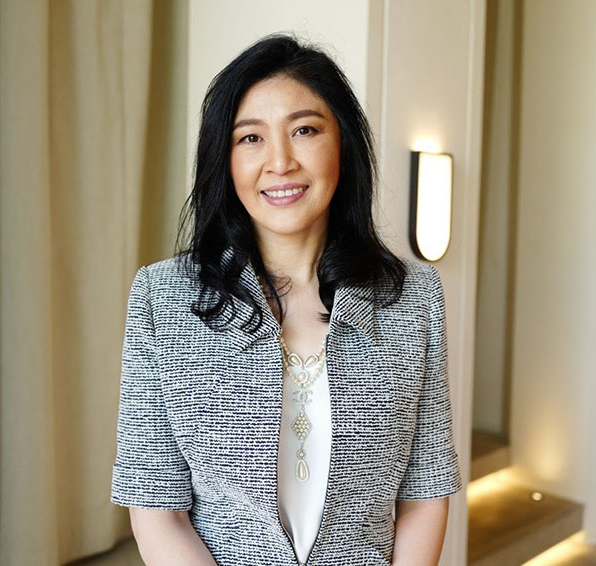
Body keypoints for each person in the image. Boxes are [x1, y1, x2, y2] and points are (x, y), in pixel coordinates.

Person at [110, 34, 462, 565]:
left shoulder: (414, 296)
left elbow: (425, 490)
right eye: (250, 138)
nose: (280, 162)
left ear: (342, 143)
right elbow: (156, 507)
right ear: (225, 159)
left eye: (304, 130)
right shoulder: (162, 298)